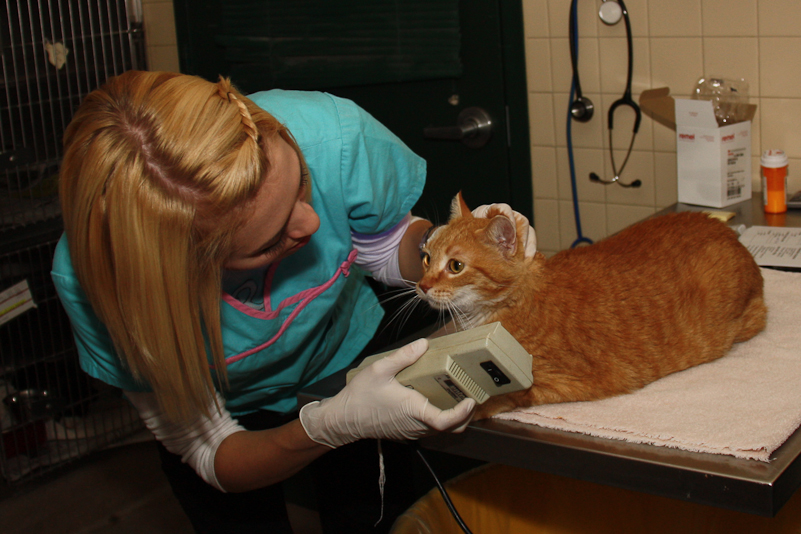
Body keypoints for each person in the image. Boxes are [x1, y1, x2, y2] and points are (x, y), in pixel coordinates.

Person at [51, 70, 532, 533]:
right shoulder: (99, 283)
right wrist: (329, 425)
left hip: (345, 359)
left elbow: (382, 246)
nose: (312, 224)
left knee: (372, 517)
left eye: (302, 181)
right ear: (182, 269)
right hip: (232, 419)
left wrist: (449, 248)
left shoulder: (331, 135)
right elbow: (213, 450)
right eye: (270, 243)